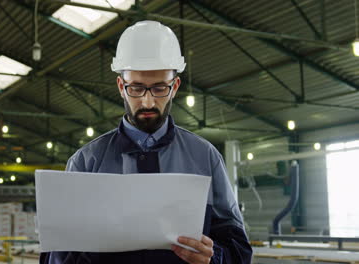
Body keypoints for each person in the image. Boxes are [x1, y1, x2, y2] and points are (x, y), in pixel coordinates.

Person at [40, 20, 252, 264]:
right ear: (121, 86)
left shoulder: (205, 157)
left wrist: (213, 259)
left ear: (175, 87)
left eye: (160, 88)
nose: (148, 102)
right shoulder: (86, 162)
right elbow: (55, 254)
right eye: (137, 88)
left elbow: (239, 250)